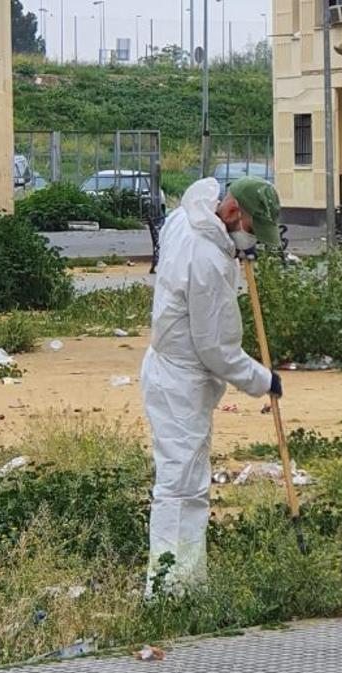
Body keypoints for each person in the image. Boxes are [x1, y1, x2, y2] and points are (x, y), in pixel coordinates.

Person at [141, 176, 284, 595]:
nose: (250, 241)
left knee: (186, 483)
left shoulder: (186, 221)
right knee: (182, 488)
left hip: (171, 373)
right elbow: (216, 350)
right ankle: (170, 589)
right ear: (235, 212)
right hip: (181, 381)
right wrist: (264, 380)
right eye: (252, 231)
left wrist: (231, 246)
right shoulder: (208, 262)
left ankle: (186, 582)